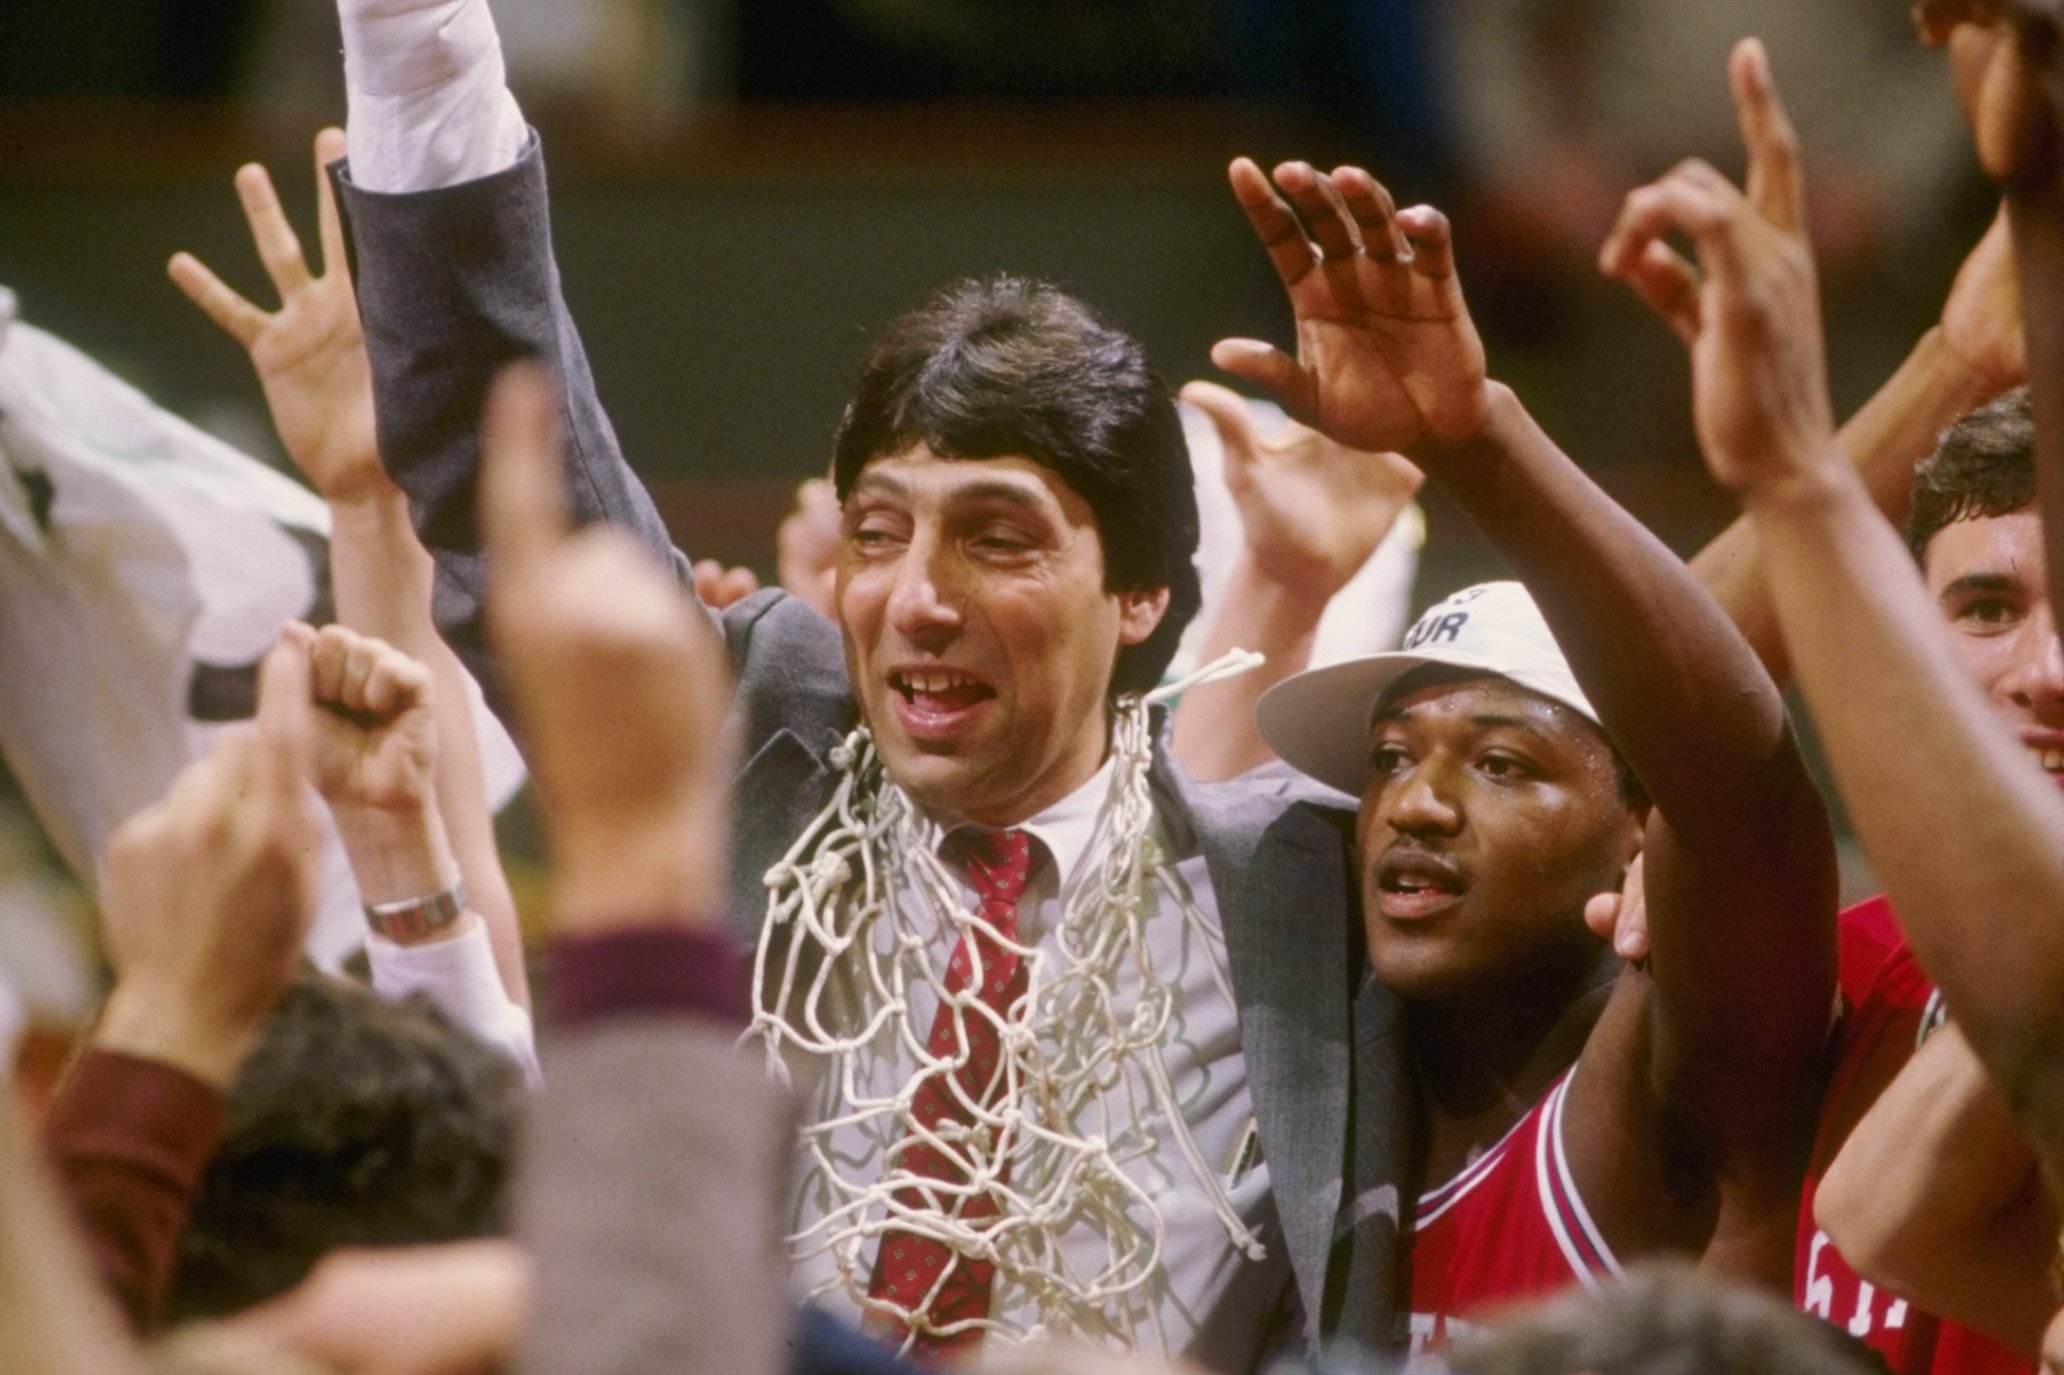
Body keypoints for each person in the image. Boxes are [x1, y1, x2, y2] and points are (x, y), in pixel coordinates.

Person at [323, 0, 1396, 1360]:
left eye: (996, 536)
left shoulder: (1296, 880)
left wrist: (1484, 445)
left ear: (1138, 595)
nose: (917, 596)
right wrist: (415, 34)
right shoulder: (775, 725)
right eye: (880, 531)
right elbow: (492, 446)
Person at [1205, 97, 1833, 1349]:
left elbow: (1740, 780)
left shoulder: (1655, 1096)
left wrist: (1474, 438)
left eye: (1500, 762)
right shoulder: (1310, 1098)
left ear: (1638, 833)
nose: (1417, 805)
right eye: (1390, 761)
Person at [1591, 18, 2064, 1374]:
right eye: (1986, 607)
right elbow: (1631, 728)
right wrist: (1954, 365)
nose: (2049, 673)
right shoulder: (1833, 974)